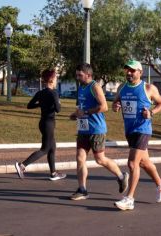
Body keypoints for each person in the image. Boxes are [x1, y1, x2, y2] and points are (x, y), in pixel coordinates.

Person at [112, 59, 161, 211]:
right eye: (127, 70)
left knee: (132, 163)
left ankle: (129, 199)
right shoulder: (122, 87)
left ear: (140, 72)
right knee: (144, 163)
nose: (129, 73)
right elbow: (115, 103)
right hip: (129, 130)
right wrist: (115, 106)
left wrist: (151, 112)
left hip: (143, 129)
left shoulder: (148, 88)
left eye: (132, 70)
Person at [69, 63, 129, 200]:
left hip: (96, 129)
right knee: (80, 158)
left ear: (88, 75)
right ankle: (82, 189)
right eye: (77, 74)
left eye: (80, 75)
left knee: (100, 159)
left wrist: (86, 112)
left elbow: (104, 107)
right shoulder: (81, 88)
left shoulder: (94, 87)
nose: (77, 77)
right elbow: (82, 107)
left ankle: (121, 176)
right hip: (83, 128)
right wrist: (75, 114)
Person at [15, 69, 66, 181]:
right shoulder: (54, 93)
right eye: (56, 77)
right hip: (49, 123)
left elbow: (29, 105)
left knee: (52, 148)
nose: (57, 79)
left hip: (42, 123)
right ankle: (22, 166)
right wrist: (57, 102)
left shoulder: (40, 93)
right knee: (45, 149)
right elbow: (58, 109)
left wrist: (41, 104)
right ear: (52, 79)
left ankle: (53, 173)